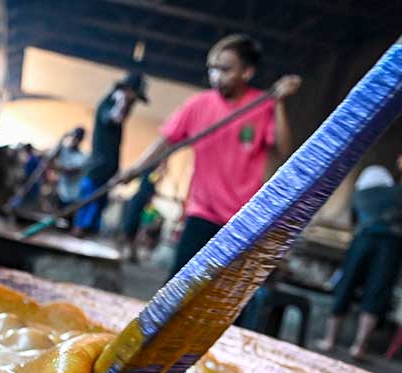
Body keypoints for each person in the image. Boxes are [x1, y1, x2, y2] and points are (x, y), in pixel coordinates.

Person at [115, 34, 300, 275]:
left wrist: (279, 103)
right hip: (202, 212)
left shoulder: (262, 106)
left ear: (247, 72)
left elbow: (284, 149)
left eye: (225, 70)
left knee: (222, 300)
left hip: (243, 220)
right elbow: (166, 140)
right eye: (212, 69)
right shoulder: (198, 105)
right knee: (178, 291)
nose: (215, 76)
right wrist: (136, 169)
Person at [315, 157, 402, 359]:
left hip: (364, 240)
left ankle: (330, 340)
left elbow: (354, 222)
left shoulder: (360, 195)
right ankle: (360, 346)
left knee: (346, 284)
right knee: (377, 290)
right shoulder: (396, 191)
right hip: (391, 243)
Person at [73, 72, 148, 237]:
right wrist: (123, 102)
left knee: (96, 212)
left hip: (106, 174)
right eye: (133, 99)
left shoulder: (115, 106)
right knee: (86, 213)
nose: (133, 104)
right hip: (96, 172)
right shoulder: (108, 104)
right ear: (127, 92)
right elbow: (115, 117)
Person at [119, 161, 167, 262]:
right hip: (139, 201)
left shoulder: (152, 174)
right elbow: (155, 178)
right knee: (131, 227)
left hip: (143, 202)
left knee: (135, 229)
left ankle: (131, 253)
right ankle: (126, 252)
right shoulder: (149, 172)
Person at [52, 127, 87, 221]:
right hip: (61, 191)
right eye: (73, 136)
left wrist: (56, 167)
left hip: (73, 195)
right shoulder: (63, 150)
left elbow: (69, 171)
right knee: (56, 218)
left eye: (77, 138)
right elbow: (50, 157)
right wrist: (61, 139)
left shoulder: (81, 157)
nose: (74, 139)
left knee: (68, 218)